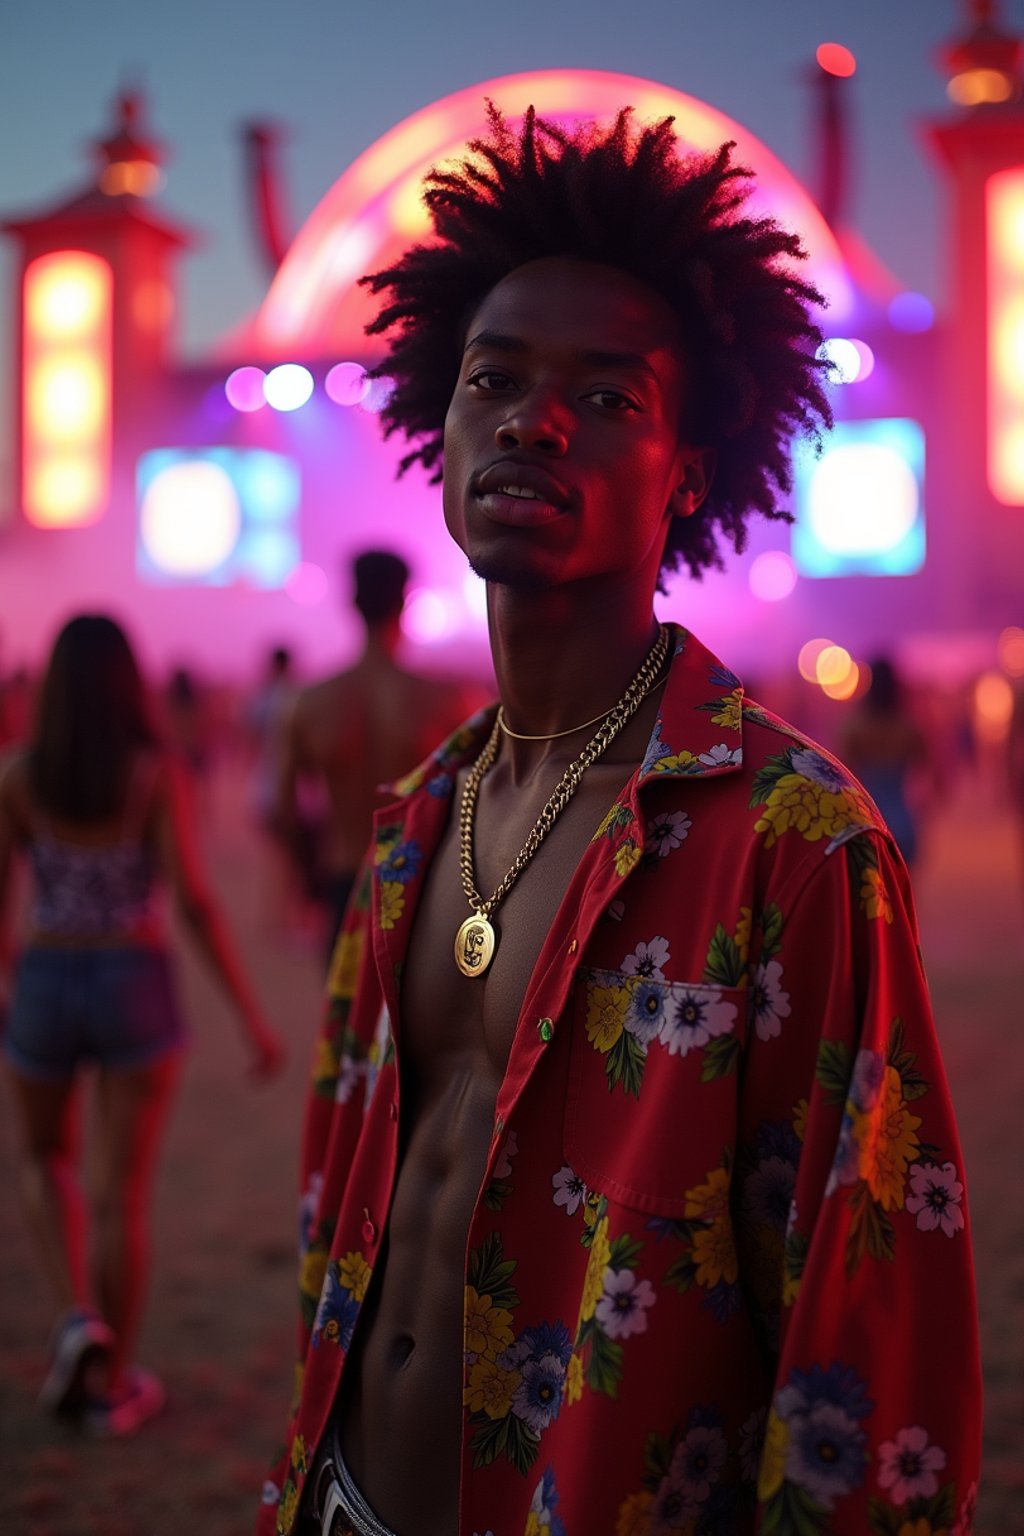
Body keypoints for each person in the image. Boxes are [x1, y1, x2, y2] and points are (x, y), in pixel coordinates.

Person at [258, 110, 981, 1536]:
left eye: (607, 397)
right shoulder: (416, 831)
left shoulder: (791, 843)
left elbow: (872, 1319)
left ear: (692, 472)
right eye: (496, 379)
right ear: (438, 420)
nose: (533, 418)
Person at [0, 614, 284, 1437]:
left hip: (47, 977)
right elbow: (195, 900)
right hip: (135, 978)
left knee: (45, 1159)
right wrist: (249, 1016)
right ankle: (114, 1385)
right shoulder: (156, 775)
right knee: (120, 1191)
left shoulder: (17, 778)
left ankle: (74, 1315)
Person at [275, 550, 482, 963]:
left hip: (344, 881)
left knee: (347, 1021)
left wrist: (307, 874)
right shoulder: (447, 701)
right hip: (421, 884)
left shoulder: (309, 704)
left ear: (351, 603)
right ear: (405, 603)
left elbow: (282, 811)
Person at [839, 656, 935, 868]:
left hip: (866, 818)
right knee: (903, 892)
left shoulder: (855, 728)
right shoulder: (908, 727)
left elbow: (840, 776)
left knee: (871, 892)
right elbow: (929, 772)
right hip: (902, 816)